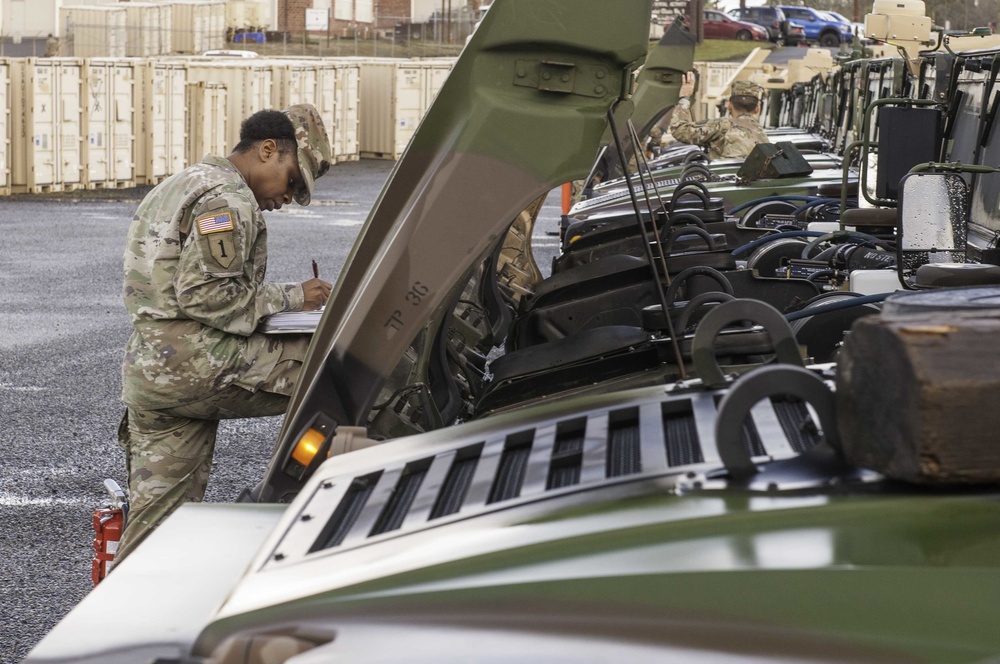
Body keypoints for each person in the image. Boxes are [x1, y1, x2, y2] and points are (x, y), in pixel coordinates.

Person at [115, 104, 334, 563]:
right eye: (293, 181)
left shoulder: (183, 183)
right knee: (350, 371)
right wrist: (294, 298)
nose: (289, 198)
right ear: (269, 150)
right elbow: (208, 297)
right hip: (197, 364)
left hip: (152, 373)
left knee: (157, 527)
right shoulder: (226, 199)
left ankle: (119, 619)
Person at [667, 72, 769, 160]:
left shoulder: (722, 126)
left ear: (729, 105)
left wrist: (684, 98)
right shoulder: (762, 135)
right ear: (757, 108)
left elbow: (680, 131)